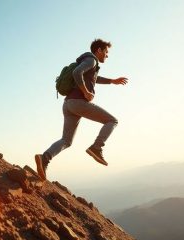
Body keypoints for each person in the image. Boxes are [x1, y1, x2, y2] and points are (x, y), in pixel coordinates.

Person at [35, 39, 128, 180]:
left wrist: (112, 81)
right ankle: (96, 147)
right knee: (112, 121)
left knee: (66, 140)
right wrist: (85, 91)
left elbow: (94, 78)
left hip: (68, 104)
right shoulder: (92, 61)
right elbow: (77, 73)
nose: (107, 56)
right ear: (99, 50)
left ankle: (44, 158)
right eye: (106, 52)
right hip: (78, 102)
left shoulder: (88, 62)